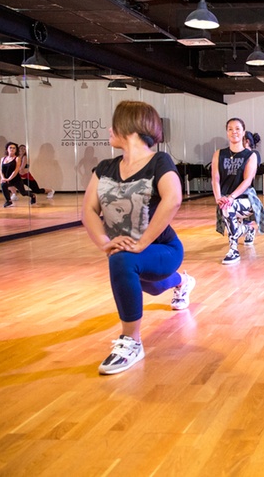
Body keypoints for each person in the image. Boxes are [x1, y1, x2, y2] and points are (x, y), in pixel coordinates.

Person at [82, 100, 195, 375]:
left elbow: (174, 199)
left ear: (130, 126)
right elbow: (88, 210)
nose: (109, 129)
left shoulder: (159, 161)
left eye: (114, 124)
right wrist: (105, 243)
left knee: (123, 261)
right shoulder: (105, 167)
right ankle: (182, 281)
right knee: (152, 286)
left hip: (162, 248)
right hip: (132, 251)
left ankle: (131, 341)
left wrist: (142, 243)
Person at [211, 118, 264, 265]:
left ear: (243, 132)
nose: (234, 132)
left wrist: (230, 198)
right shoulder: (219, 154)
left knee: (228, 207)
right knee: (227, 208)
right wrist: (219, 198)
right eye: (230, 129)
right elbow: (215, 179)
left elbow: (247, 181)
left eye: (237, 128)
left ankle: (233, 250)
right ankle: (248, 229)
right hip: (226, 200)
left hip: (246, 200)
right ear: (227, 132)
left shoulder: (250, 155)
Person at [0, 142, 35, 207]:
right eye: (10, 148)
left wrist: (9, 179)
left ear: (16, 150)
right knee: (3, 185)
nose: (12, 149)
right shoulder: (3, 159)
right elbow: (1, 170)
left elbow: (16, 170)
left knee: (23, 193)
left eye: (14, 148)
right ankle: (8, 201)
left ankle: (32, 195)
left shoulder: (17, 159)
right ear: (7, 149)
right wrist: (3, 178)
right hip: (6, 179)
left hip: (16, 179)